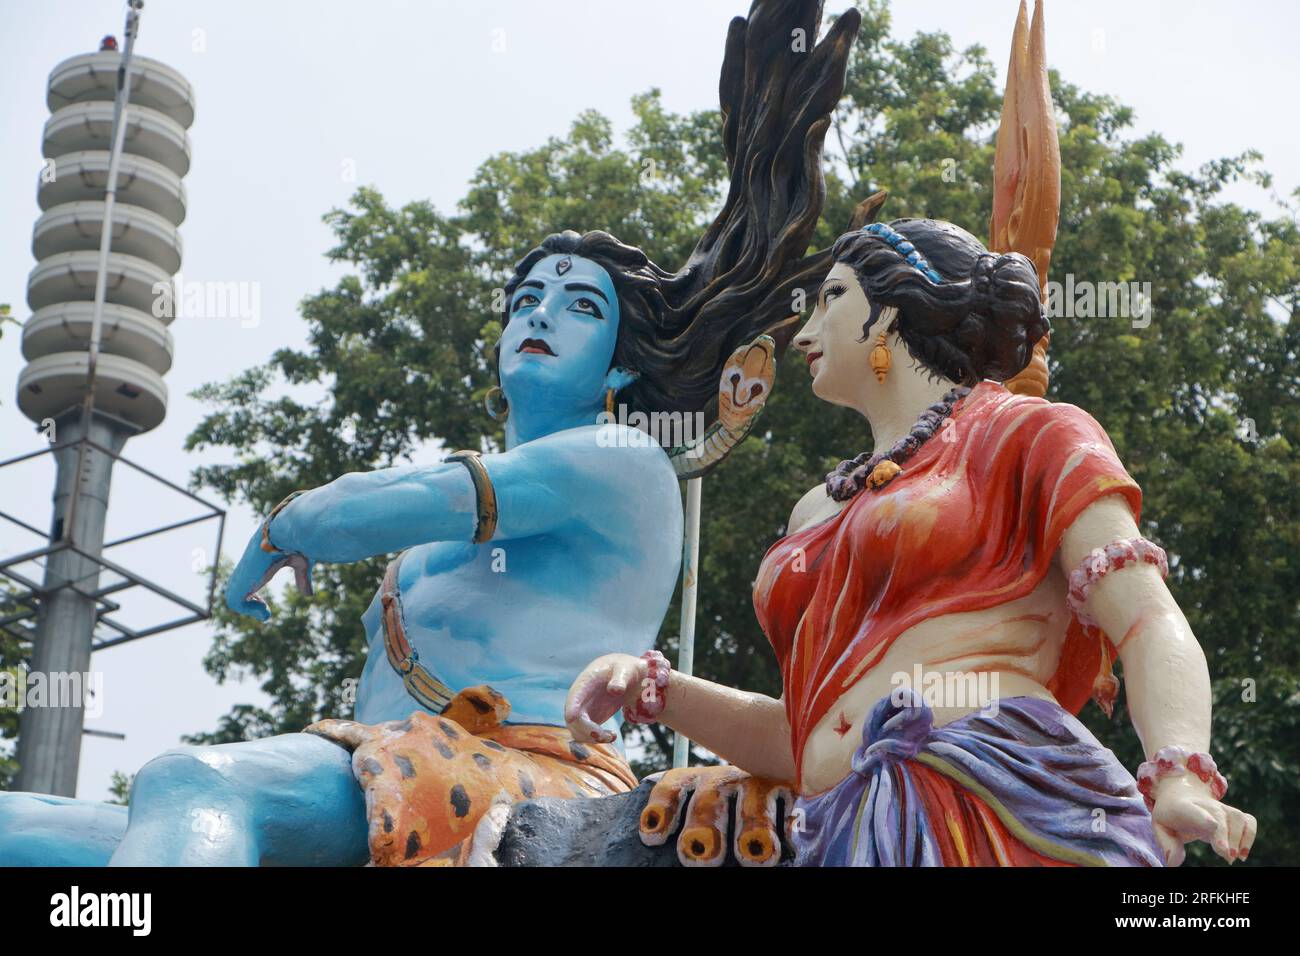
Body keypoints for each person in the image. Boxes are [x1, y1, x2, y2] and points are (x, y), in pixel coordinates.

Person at [0, 0, 862, 867]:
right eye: (526, 301)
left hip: (526, 781)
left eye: (580, 305)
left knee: (196, 783)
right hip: (371, 782)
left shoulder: (620, 461)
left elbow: (382, 508)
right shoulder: (443, 544)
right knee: (27, 829)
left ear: (619, 369)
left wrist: (286, 522)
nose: (543, 315)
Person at [566, 217, 1258, 867]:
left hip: (996, 796)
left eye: (830, 299)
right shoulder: (815, 509)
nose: (802, 336)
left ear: (889, 313)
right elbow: (803, 738)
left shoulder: (1030, 433)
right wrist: (654, 688)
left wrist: (1180, 771)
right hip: (835, 824)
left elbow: (1144, 617)